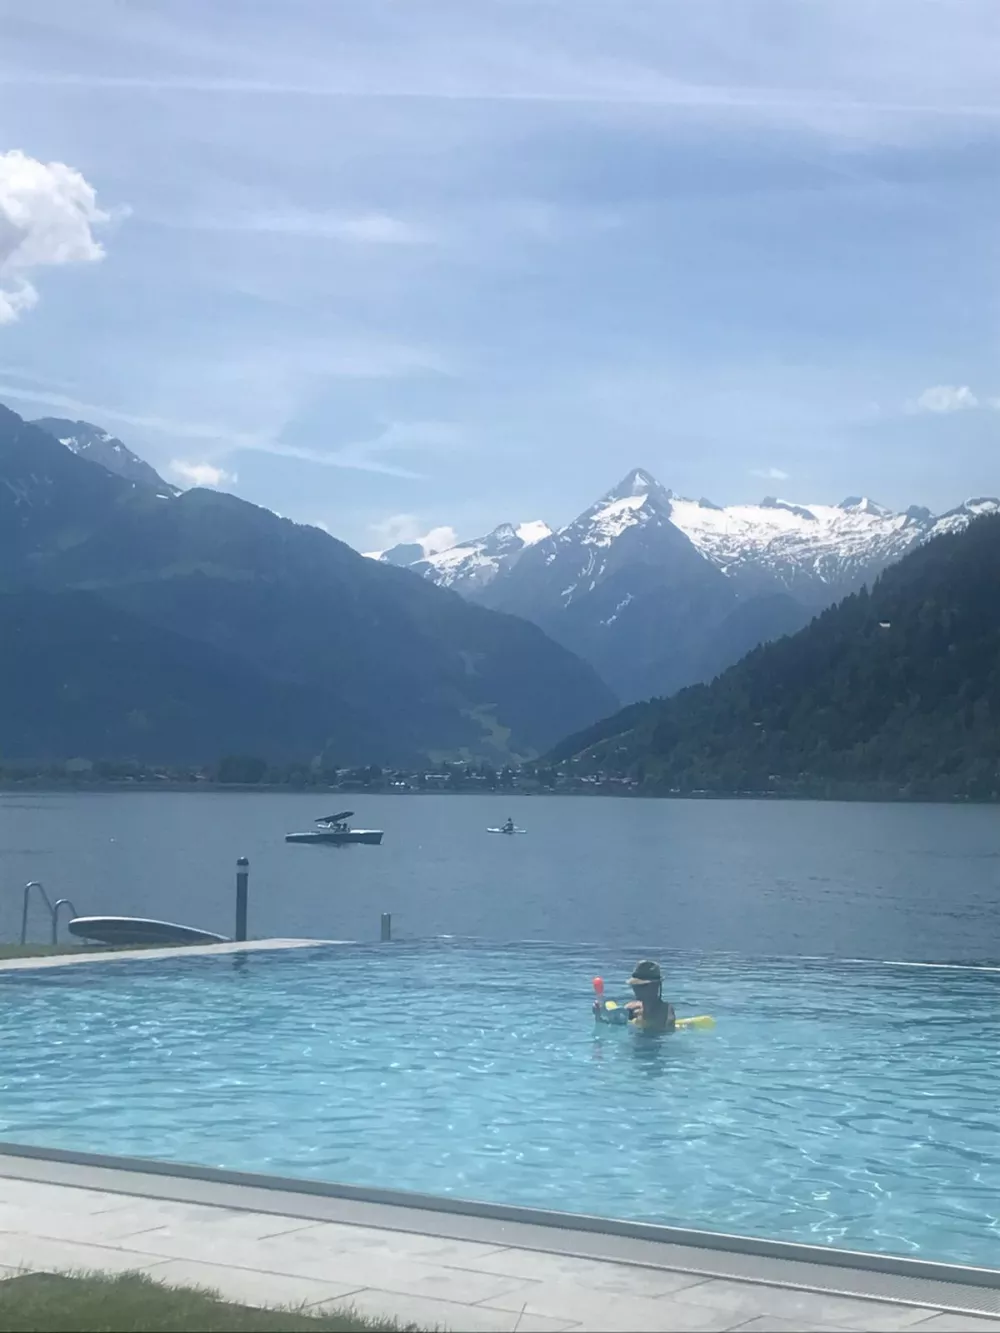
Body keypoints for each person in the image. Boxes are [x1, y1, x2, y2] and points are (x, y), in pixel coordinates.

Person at [624, 960, 675, 1032]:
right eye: (634, 986)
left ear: (655, 986)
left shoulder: (665, 1012)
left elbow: (665, 1032)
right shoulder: (633, 1008)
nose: (636, 990)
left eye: (641, 986)